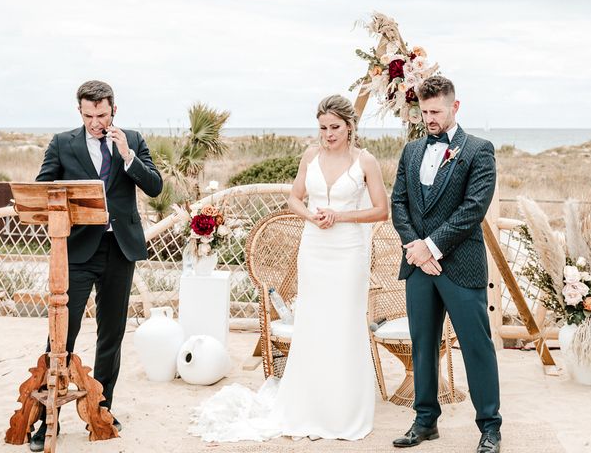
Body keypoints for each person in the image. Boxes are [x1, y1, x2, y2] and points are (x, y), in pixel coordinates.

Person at [189, 94, 388, 442]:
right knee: (312, 322)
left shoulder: (365, 161)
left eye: (335, 128)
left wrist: (339, 215)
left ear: (350, 126)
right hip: (314, 248)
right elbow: (294, 197)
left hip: (348, 251)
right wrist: (309, 214)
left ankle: (343, 409)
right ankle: (309, 403)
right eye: (323, 127)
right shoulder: (310, 155)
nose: (328, 134)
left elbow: (380, 210)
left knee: (343, 323)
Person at [29, 80, 163, 452]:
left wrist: (127, 157)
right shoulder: (62, 143)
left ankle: (102, 408)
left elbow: (155, 187)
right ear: (80, 112)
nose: (95, 122)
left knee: (111, 335)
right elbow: (43, 192)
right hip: (78, 251)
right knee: (61, 336)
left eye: (101, 115)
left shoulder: (132, 140)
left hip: (119, 249)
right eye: (88, 115)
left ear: (113, 110)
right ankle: (44, 419)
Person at [390, 76, 502, 453]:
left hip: (462, 265)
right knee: (422, 345)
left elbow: (473, 208)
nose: (429, 119)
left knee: (476, 346)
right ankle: (425, 421)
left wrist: (431, 248)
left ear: (455, 107)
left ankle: (489, 427)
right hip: (418, 266)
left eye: (436, 111)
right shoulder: (411, 151)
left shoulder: (478, 150)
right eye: (424, 112)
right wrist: (414, 247)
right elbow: (399, 204)